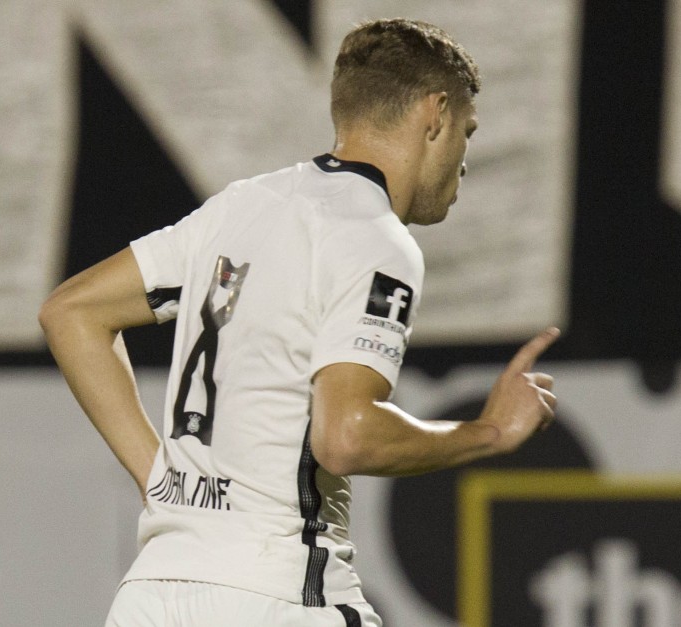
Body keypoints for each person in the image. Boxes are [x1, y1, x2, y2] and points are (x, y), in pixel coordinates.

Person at [39, 17, 558, 627]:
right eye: (468, 132)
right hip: (276, 593)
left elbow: (71, 311)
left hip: (154, 593)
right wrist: (488, 431)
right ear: (435, 114)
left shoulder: (240, 207)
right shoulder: (374, 237)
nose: (466, 160)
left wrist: (158, 478)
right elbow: (345, 435)